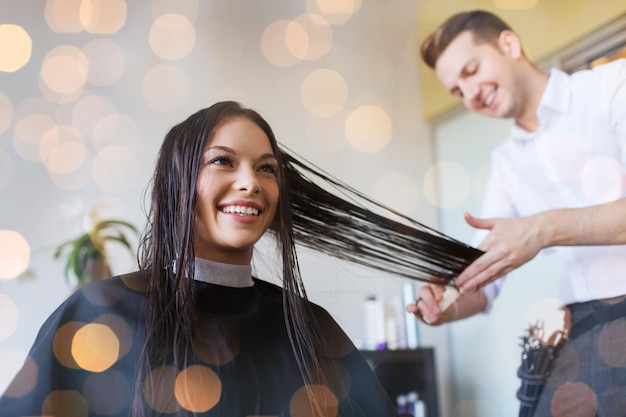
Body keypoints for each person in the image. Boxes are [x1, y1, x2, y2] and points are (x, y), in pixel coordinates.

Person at [0, 101, 413, 417]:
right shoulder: (95, 315)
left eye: (266, 169)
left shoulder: (311, 328)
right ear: (178, 181)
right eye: (222, 161)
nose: (251, 182)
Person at [407, 9, 626, 417]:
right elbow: (486, 277)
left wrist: (542, 229)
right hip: (582, 326)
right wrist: (447, 303)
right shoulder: (506, 163)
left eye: (471, 70)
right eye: (457, 90)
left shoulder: (612, 86)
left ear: (509, 44)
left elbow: (535, 233)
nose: (469, 94)